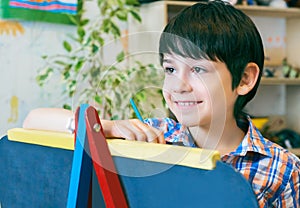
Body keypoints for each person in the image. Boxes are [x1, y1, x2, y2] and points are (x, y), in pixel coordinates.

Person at [23, 1, 299, 207]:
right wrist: (101, 127)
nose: (179, 85)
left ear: (245, 79)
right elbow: (33, 121)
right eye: (170, 69)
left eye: (199, 70)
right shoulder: (153, 137)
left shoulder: (282, 168)